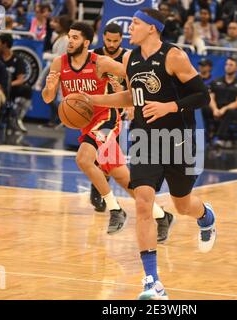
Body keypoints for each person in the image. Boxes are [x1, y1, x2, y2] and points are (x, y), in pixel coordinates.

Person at [85, 8, 217, 300]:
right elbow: (132, 96)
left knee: (182, 205)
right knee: (143, 204)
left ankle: (206, 216)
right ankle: (151, 282)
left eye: (135, 23)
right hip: (145, 138)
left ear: (152, 29)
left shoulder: (174, 56)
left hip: (178, 138)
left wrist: (170, 107)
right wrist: (93, 100)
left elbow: (202, 95)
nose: (129, 27)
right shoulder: (131, 58)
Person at [42, 22, 175, 241]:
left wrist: (130, 98)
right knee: (124, 178)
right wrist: (50, 86)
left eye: (75, 37)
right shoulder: (59, 63)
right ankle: (162, 216)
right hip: (86, 124)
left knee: (84, 159)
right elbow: (48, 98)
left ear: (86, 43)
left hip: (106, 119)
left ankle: (115, 209)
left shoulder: (100, 62)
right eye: (69, 36)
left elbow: (133, 73)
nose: (70, 41)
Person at [90, 22, 128, 213]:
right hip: (96, 112)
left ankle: (101, 189)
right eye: (108, 40)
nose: (111, 44)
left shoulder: (128, 57)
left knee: (109, 158)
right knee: (95, 154)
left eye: (115, 41)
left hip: (117, 114)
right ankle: (98, 190)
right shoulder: (94, 55)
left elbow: (133, 85)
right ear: (103, 37)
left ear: (121, 39)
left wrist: (127, 98)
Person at [0, 33, 32, 132]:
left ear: (5, 44)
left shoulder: (18, 59)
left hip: (10, 87)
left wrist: (7, 85)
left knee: (26, 90)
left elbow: (21, 79)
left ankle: (16, 118)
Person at [208, 57, 237, 147]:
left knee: (230, 112)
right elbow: (211, 98)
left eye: (231, 65)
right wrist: (215, 109)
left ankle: (219, 138)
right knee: (203, 109)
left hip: (230, 110)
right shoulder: (216, 81)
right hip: (216, 108)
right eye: (227, 64)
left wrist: (224, 109)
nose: (228, 67)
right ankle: (203, 135)